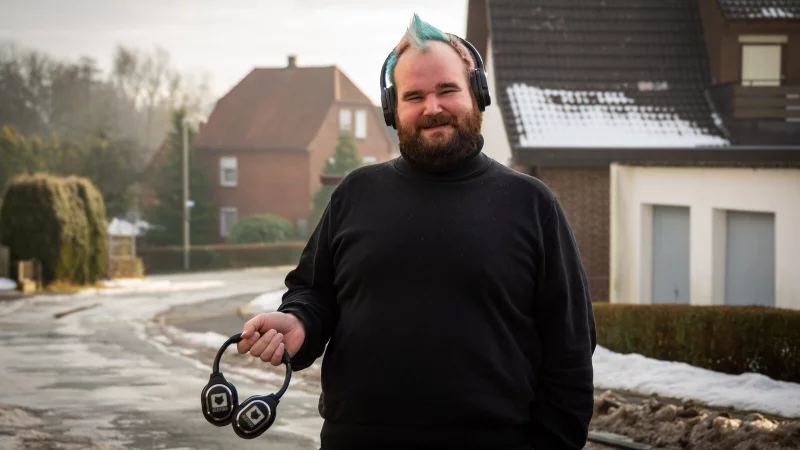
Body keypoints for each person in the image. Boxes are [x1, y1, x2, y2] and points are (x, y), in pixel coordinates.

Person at [237, 14, 596, 450]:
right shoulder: (355, 193)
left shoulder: (532, 204)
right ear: (392, 109)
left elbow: (570, 347)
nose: (432, 108)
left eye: (447, 90)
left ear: (476, 93)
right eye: (414, 96)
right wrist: (299, 321)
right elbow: (315, 292)